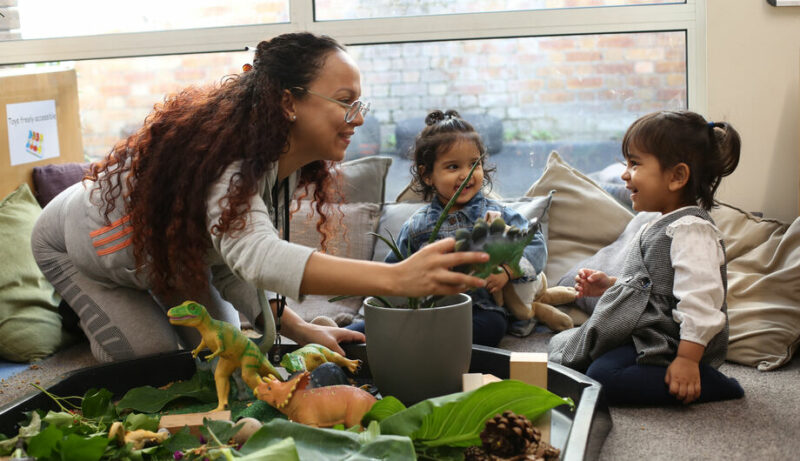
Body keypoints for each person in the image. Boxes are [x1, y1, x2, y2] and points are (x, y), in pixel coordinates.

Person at [31, 33, 489, 364]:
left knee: (225, 355)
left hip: (170, 262)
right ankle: (82, 317)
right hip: (77, 246)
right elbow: (258, 256)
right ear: (288, 102)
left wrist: (298, 328)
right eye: (346, 101)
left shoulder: (273, 169)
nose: (357, 119)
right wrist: (396, 279)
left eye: (360, 105)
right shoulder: (227, 161)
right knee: (149, 360)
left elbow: (231, 261)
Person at [549, 110, 745, 405]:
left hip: (673, 344)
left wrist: (688, 360)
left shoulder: (693, 231)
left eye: (635, 163)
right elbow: (654, 285)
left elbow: (701, 301)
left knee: (604, 378)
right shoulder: (659, 223)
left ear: (677, 176)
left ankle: (714, 384)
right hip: (649, 333)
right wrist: (612, 285)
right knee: (577, 354)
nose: (624, 174)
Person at [381, 109, 548, 347]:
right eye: (453, 167)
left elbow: (534, 242)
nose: (467, 174)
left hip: (480, 309)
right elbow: (392, 272)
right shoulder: (418, 226)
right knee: (373, 325)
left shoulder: (498, 215)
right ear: (427, 175)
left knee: (492, 326)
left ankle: (428, 345)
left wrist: (507, 271)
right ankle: (347, 333)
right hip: (429, 312)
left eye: (474, 164)